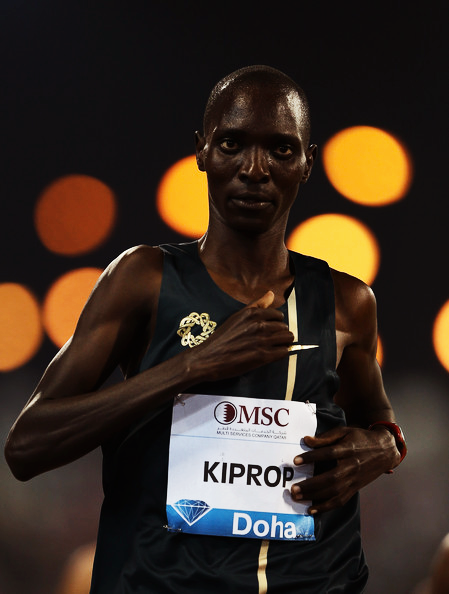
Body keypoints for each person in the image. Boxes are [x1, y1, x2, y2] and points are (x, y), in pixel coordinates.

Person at [5, 65, 406, 593]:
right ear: (201, 151)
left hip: (314, 581)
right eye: (233, 143)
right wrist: (193, 365)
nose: (254, 169)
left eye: (282, 150)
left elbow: (379, 424)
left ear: (308, 161)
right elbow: (27, 446)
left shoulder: (346, 302)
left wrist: (384, 448)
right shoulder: (144, 279)